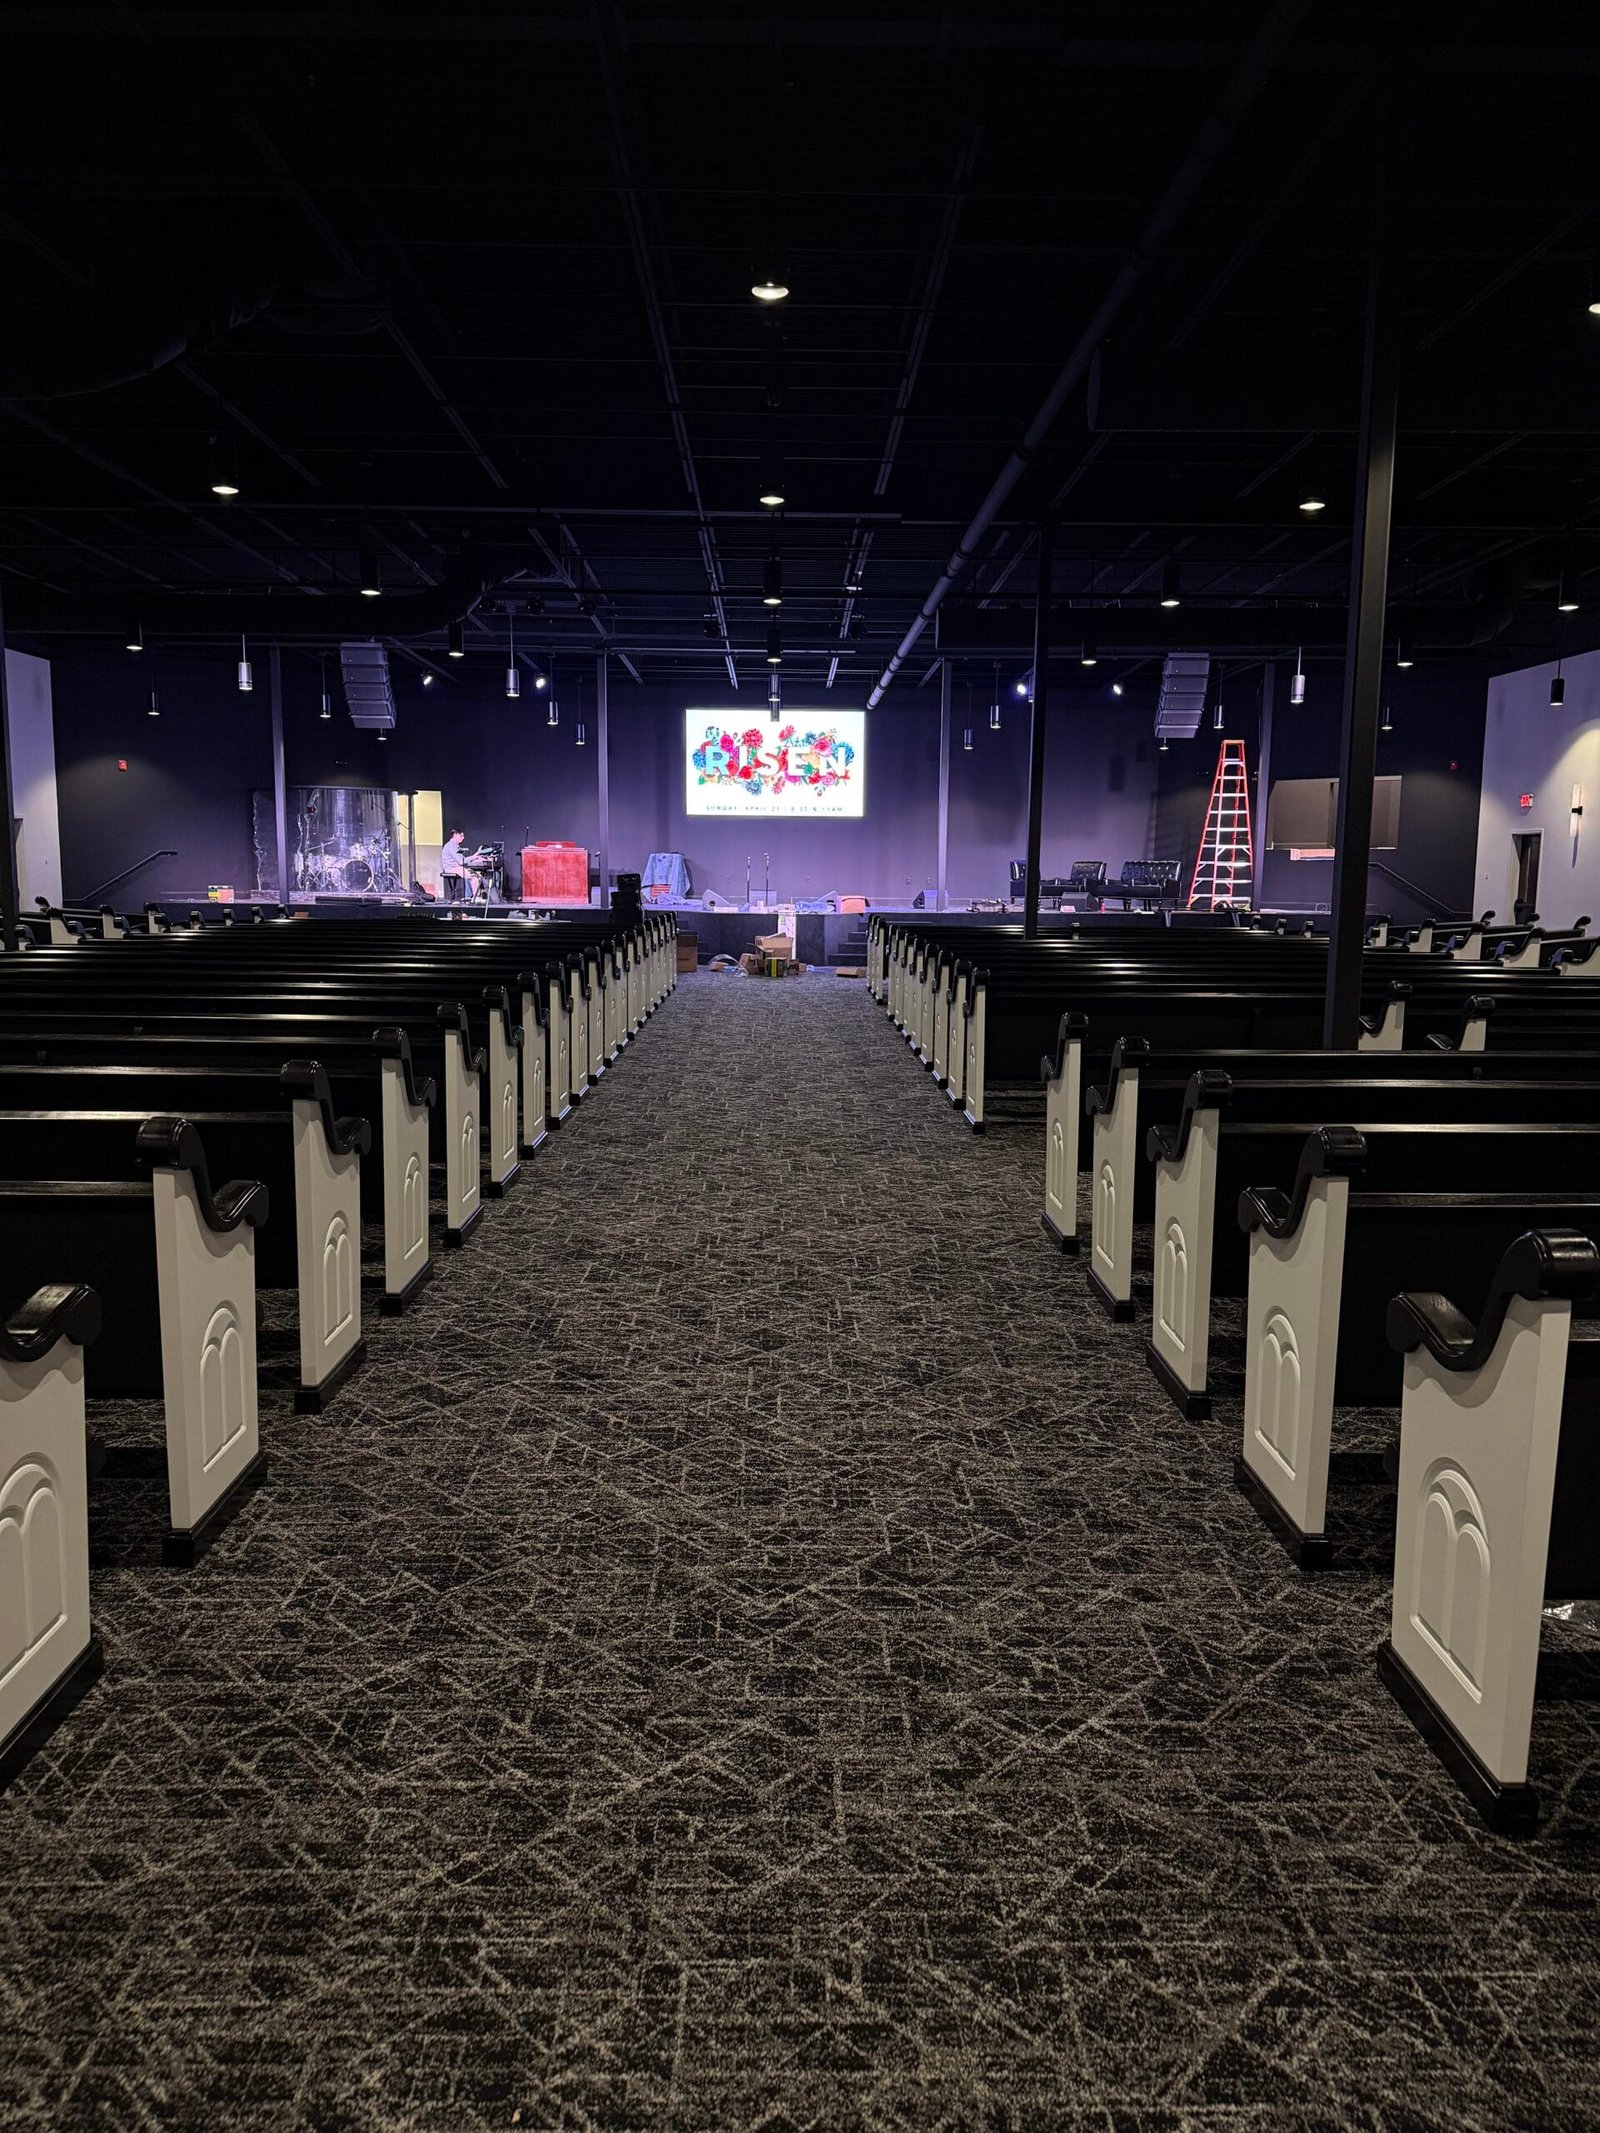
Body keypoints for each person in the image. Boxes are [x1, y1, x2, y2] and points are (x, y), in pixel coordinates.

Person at [440, 827, 467, 903]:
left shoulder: (455, 846)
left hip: (456, 867)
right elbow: (461, 861)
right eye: (461, 835)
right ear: (455, 835)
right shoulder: (451, 846)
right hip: (452, 868)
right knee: (473, 875)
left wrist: (474, 858)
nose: (463, 838)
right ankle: (475, 898)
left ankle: (470, 896)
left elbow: (462, 859)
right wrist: (474, 857)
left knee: (472, 874)